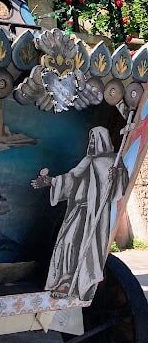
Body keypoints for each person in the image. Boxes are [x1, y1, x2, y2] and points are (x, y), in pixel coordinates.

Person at [31, 126, 128, 301]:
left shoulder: (114, 161)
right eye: (90, 139)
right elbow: (71, 179)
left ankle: (79, 283)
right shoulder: (87, 161)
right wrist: (51, 182)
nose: (91, 143)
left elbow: (117, 191)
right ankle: (65, 279)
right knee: (67, 241)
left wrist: (117, 175)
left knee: (87, 247)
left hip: (95, 214)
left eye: (95, 139)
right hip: (78, 210)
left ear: (103, 140)